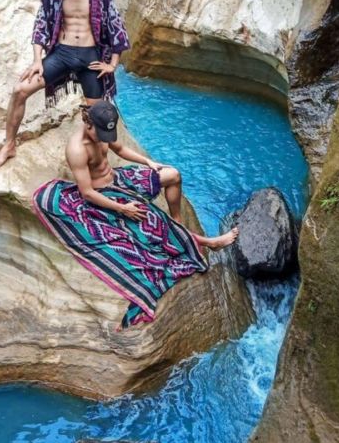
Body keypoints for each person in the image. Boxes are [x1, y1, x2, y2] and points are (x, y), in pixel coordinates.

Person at [33, 102, 239, 329]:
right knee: (151, 218)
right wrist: (122, 209)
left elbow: (119, 150)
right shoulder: (77, 149)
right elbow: (87, 192)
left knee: (173, 175)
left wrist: (147, 161)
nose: (104, 138)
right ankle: (207, 242)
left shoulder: (102, 127)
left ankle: (178, 223)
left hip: (119, 179)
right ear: (87, 123)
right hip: (105, 196)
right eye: (100, 133)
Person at [0, 0, 129, 168]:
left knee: (97, 114)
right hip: (61, 54)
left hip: (90, 57)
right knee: (20, 91)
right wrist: (37, 60)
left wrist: (113, 64)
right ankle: (9, 145)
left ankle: (99, 164)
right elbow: (41, 23)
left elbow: (116, 27)